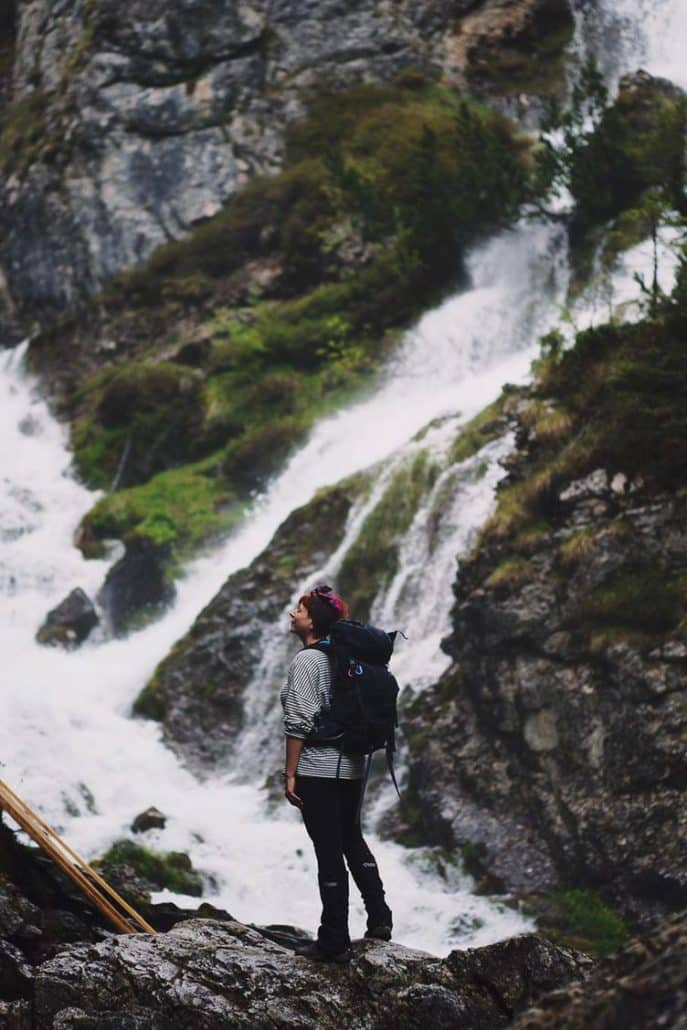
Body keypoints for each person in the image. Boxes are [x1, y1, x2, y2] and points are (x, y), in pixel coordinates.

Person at [280, 584, 393, 962]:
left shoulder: (307, 661)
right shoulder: (345, 657)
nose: (292, 615)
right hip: (353, 767)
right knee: (351, 840)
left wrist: (290, 773)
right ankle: (379, 918)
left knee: (328, 851)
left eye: (298, 609)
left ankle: (333, 939)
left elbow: (298, 721)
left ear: (312, 620)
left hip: (318, 768)